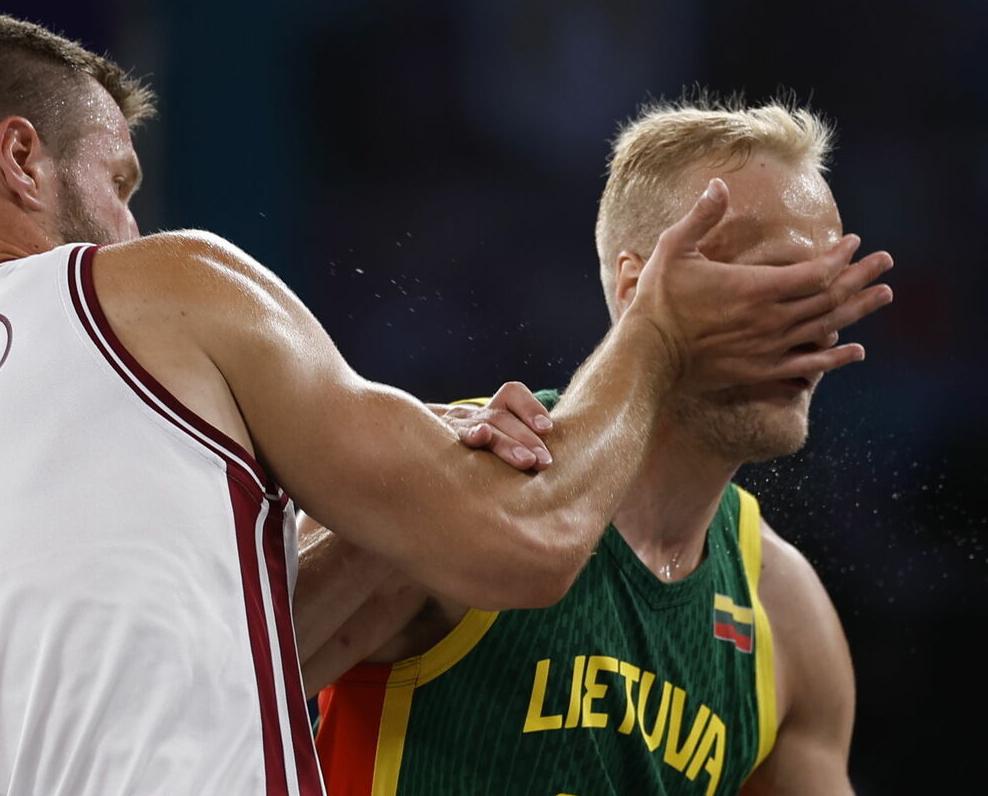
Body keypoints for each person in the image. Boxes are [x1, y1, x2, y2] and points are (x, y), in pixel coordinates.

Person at [0, 13, 891, 795]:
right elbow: (518, 538)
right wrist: (654, 336)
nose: (130, 221)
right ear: (21, 158)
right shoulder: (153, 290)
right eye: (120, 179)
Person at [304, 99, 886, 796]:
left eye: (826, 292)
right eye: (779, 285)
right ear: (640, 289)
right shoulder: (464, 470)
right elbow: (210, 681)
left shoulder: (783, 614)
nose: (818, 327)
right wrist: (396, 514)